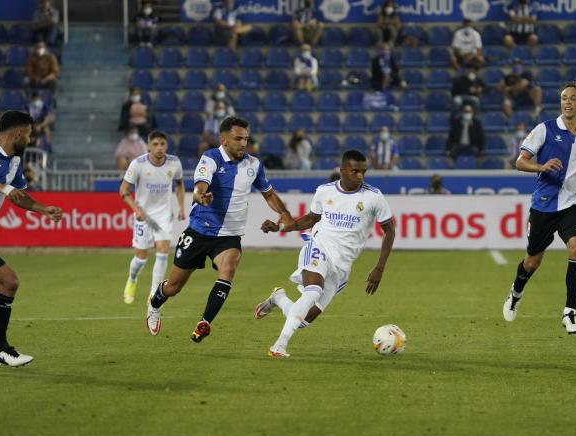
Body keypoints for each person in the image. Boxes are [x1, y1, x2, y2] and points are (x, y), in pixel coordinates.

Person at [144, 117, 294, 341]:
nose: (244, 143)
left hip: (229, 236)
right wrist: (201, 196)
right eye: (238, 139)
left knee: (229, 269)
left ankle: (204, 323)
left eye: (246, 138)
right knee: (174, 287)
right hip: (199, 232)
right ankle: (154, 305)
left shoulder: (253, 164)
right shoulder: (211, 158)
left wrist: (284, 213)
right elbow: (199, 187)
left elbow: (269, 193)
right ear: (223, 140)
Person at [254, 149, 396, 357]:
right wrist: (281, 227)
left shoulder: (374, 197)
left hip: (342, 265)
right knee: (313, 291)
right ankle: (279, 345)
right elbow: (311, 219)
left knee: (303, 321)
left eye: (363, 172)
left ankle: (279, 298)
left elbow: (389, 231)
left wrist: (379, 268)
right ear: (343, 170)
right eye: (355, 171)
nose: (360, 176)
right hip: (318, 247)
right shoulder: (325, 191)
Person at [502, 83, 576, 335]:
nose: (567, 102)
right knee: (532, 262)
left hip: (574, 203)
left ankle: (569, 312)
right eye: (563, 98)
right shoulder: (544, 129)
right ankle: (516, 292)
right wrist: (542, 167)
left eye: (573, 98)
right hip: (544, 205)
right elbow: (519, 162)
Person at [0, 110, 63, 366]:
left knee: (7, 284)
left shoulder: (13, 162)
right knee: (9, 281)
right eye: (30, 134)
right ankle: (0, 349)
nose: (32, 139)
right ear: (19, 133)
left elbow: (19, 195)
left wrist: (43, 209)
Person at [120, 130, 185, 305]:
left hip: (164, 216)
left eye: (162, 144)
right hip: (144, 216)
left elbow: (179, 183)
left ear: (167, 145)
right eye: (155, 144)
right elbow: (123, 191)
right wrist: (136, 210)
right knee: (141, 258)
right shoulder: (138, 164)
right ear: (149, 146)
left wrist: (181, 206)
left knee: (163, 250)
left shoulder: (174, 163)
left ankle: (154, 292)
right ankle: (132, 280)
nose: (159, 148)